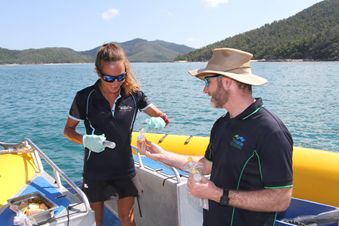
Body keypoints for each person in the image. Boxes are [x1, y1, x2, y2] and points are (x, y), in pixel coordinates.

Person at [138, 48, 293, 226]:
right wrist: (163, 156)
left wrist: (217, 194)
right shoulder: (222, 124)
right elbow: (205, 165)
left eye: (207, 82)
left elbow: (281, 199)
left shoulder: (271, 132)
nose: (205, 90)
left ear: (227, 82)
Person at [64, 42, 169, 226]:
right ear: (99, 72)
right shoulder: (84, 97)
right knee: (94, 221)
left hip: (124, 169)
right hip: (95, 171)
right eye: (109, 78)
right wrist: (85, 140)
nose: (115, 83)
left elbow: (162, 117)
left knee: (127, 220)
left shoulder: (134, 95)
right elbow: (68, 131)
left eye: (121, 77)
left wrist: (159, 121)